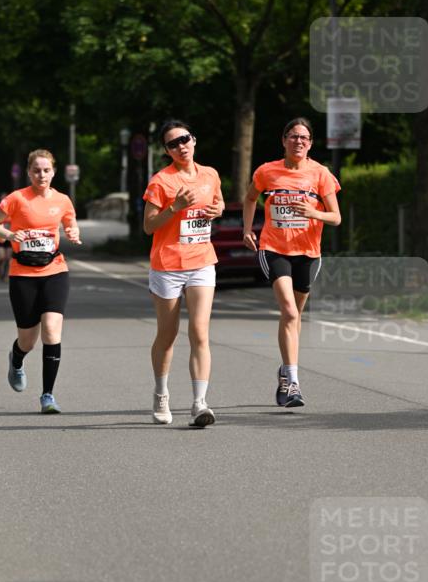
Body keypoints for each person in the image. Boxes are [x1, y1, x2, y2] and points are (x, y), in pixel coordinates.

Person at [242, 117, 341, 408]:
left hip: (308, 253)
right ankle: (293, 382)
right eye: (294, 136)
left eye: (305, 138)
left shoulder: (321, 174)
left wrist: (314, 213)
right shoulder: (266, 171)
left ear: (310, 144)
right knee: (288, 310)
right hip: (274, 248)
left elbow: (335, 217)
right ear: (284, 140)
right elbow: (250, 199)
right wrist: (247, 229)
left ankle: (285, 369)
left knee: (294, 317)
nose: (299, 141)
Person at [143, 119, 224, 427]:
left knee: (200, 333)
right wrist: (174, 207)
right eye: (173, 143)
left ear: (194, 140)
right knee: (168, 334)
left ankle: (199, 403)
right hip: (168, 265)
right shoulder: (161, 181)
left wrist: (217, 210)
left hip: (202, 261)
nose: (181, 146)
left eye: (185, 139)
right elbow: (149, 226)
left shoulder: (210, 174)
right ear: (167, 150)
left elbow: (217, 203)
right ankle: (161, 394)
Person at [0, 149, 81, 414]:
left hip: (55, 270)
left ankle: (47, 396)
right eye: (37, 170)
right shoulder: (16, 199)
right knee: (28, 340)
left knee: (52, 329)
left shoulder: (62, 200)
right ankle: (16, 359)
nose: (42, 175)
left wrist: (73, 232)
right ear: (29, 172)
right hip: (23, 274)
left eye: (46, 170)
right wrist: (8, 234)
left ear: (53, 172)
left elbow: (71, 224)